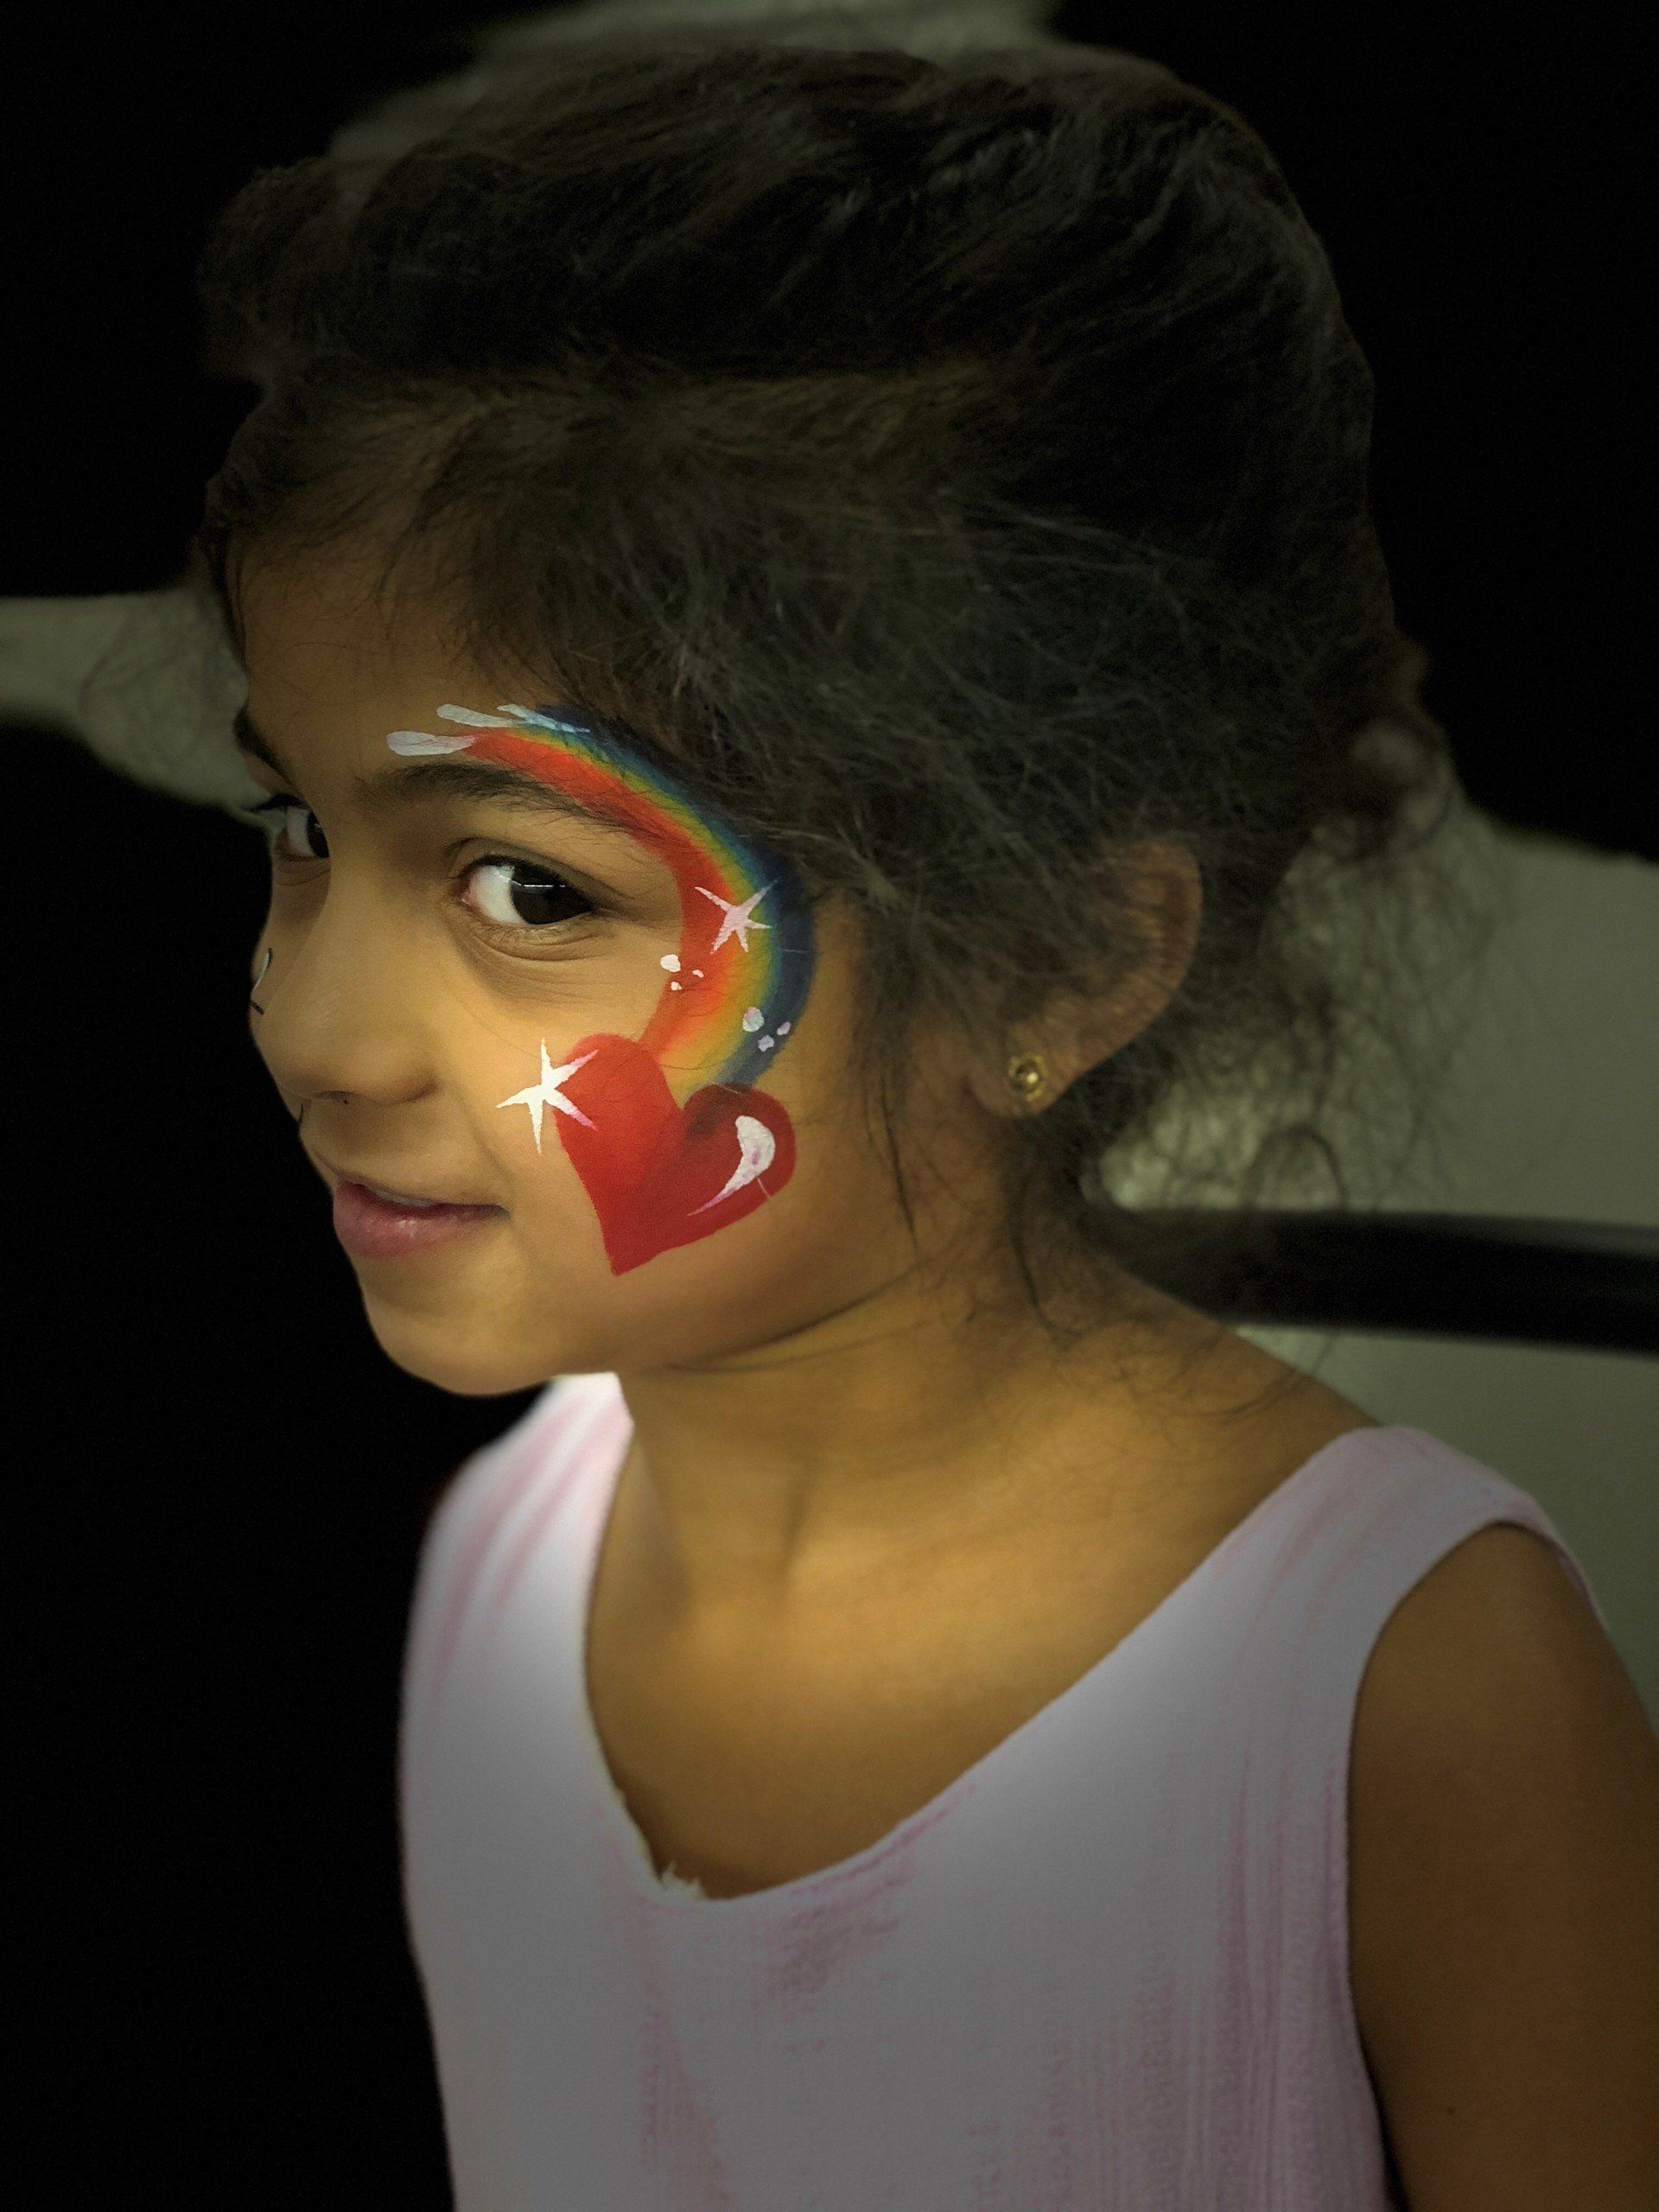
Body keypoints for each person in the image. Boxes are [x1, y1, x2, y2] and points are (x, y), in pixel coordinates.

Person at [168, 2, 1659, 2204]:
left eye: (529, 887)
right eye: (300, 826)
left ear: (1059, 962)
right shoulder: (495, 1569)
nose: (315, 1021)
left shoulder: (1405, 1698)